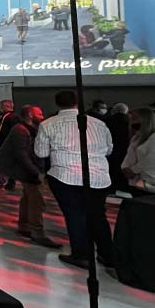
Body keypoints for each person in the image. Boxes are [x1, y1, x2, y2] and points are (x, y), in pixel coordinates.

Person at [34, 90, 116, 269]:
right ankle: (107, 255)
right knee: (97, 215)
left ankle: (82, 255)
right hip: (98, 176)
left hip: (65, 176)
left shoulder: (48, 124)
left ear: (57, 104)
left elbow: (41, 152)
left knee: (75, 215)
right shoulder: (99, 124)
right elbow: (109, 149)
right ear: (78, 103)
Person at [0, 105, 61, 248]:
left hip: (27, 169)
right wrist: (36, 172)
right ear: (29, 115)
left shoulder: (25, 129)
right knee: (36, 200)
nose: (42, 116)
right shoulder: (21, 130)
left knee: (29, 198)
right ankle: (37, 232)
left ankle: (24, 226)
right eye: (39, 113)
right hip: (28, 170)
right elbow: (22, 155)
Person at [122, 108, 155, 196]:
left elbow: (152, 160)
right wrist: (125, 167)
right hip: (137, 183)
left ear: (146, 120)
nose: (132, 122)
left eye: (135, 119)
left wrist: (133, 170)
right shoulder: (136, 138)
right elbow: (129, 156)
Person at [0, 99, 18, 189]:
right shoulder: (5, 116)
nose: (0, 108)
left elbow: (3, 132)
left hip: (5, 145)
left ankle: (2, 182)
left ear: (6, 106)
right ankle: (8, 182)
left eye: (1, 106)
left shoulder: (9, 117)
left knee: (0, 164)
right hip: (5, 144)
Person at [105, 103, 131, 191]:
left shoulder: (106, 121)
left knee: (112, 173)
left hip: (111, 152)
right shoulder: (130, 121)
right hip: (127, 151)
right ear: (126, 111)